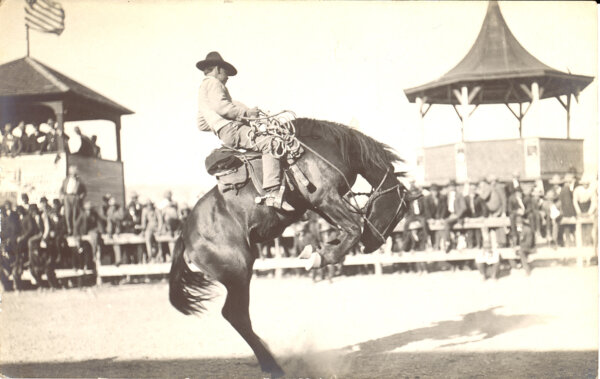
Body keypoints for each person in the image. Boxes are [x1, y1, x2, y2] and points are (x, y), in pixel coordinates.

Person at [195, 51, 282, 207]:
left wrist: (218, 125)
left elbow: (201, 124)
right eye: (226, 72)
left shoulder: (203, 90)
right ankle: (272, 192)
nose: (227, 76)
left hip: (225, 134)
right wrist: (246, 113)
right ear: (217, 69)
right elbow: (222, 107)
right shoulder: (215, 83)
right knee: (271, 143)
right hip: (232, 130)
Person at [73, 201, 103, 272]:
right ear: (85, 210)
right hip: (83, 234)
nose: (89, 211)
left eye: (90, 209)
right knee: (81, 250)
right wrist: (77, 236)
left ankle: (94, 255)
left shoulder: (94, 215)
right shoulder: (82, 215)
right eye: (87, 210)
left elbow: (99, 224)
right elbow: (76, 226)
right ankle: (83, 266)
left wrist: (99, 231)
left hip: (91, 232)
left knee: (94, 238)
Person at [60, 165, 87, 235]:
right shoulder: (66, 180)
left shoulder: (79, 181)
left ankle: (75, 231)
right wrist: (62, 196)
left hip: (75, 197)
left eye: (75, 172)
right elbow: (61, 189)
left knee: (75, 214)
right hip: (67, 197)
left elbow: (84, 191)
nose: (74, 174)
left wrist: (81, 196)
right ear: (70, 172)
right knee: (68, 214)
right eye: (72, 172)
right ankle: (69, 229)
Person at [559, 169, 578, 247]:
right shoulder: (566, 190)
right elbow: (568, 203)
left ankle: (568, 243)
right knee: (571, 228)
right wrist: (573, 213)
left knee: (567, 228)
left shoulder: (563, 189)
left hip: (565, 212)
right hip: (568, 213)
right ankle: (571, 243)